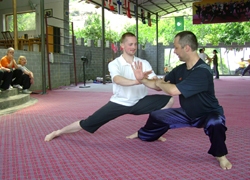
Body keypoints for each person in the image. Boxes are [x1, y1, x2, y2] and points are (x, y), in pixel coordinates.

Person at [126, 31, 232, 170]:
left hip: (208, 113)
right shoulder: (180, 70)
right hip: (187, 112)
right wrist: (142, 79)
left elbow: (172, 90)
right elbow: (158, 86)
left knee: (215, 123)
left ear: (186, 47)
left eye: (176, 47)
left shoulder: (202, 71)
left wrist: (160, 83)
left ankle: (221, 155)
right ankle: (144, 134)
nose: (175, 51)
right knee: (156, 115)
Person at [44, 32, 174, 142]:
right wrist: (137, 81)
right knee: (88, 123)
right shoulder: (114, 64)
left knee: (169, 100)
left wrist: (158, 83)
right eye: (130, 44)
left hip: (140, 101)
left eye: (135, 44)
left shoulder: (143, 63)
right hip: (119, 102)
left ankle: (151, 132)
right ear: (122, 46)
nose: (133, 47)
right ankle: (58, 132)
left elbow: (155, 85)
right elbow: (117, 80)